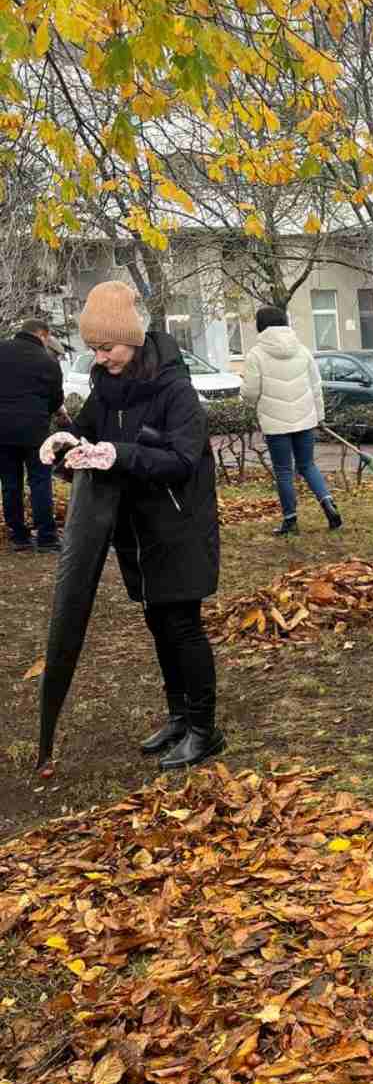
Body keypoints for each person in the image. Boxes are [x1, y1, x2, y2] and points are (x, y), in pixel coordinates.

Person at [40, 281, 223, 770]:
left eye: (108, 347)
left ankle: (205, 730)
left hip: (179, 526)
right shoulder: (107, 388)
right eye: (95, 349)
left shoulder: (175, 389)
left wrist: (118, 454)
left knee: (182, 626)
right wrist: (64, 444)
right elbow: (89, 436)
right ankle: (179, 717)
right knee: (158, 623)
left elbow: (183, 460)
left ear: (132, 339)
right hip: (136, 530)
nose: (101, 358)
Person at [240, 305, 342, 537]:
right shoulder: (302, 350)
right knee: (308, 465)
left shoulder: (256, 354)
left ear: (260, 325)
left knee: (284, 471)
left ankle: (290, 520)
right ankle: (328, 503)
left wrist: (245, 395)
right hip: (305, 420)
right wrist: (320, 416)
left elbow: (250, 393)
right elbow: (316, 386)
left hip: (276, 424)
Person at [0, 319, 65, 553]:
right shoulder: (48, 361)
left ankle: (19, 536)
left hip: (2, 430)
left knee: (10, 482)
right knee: (40, 481)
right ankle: (46, 537)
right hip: (35, 431)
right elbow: (56, 399)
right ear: (43, 335)